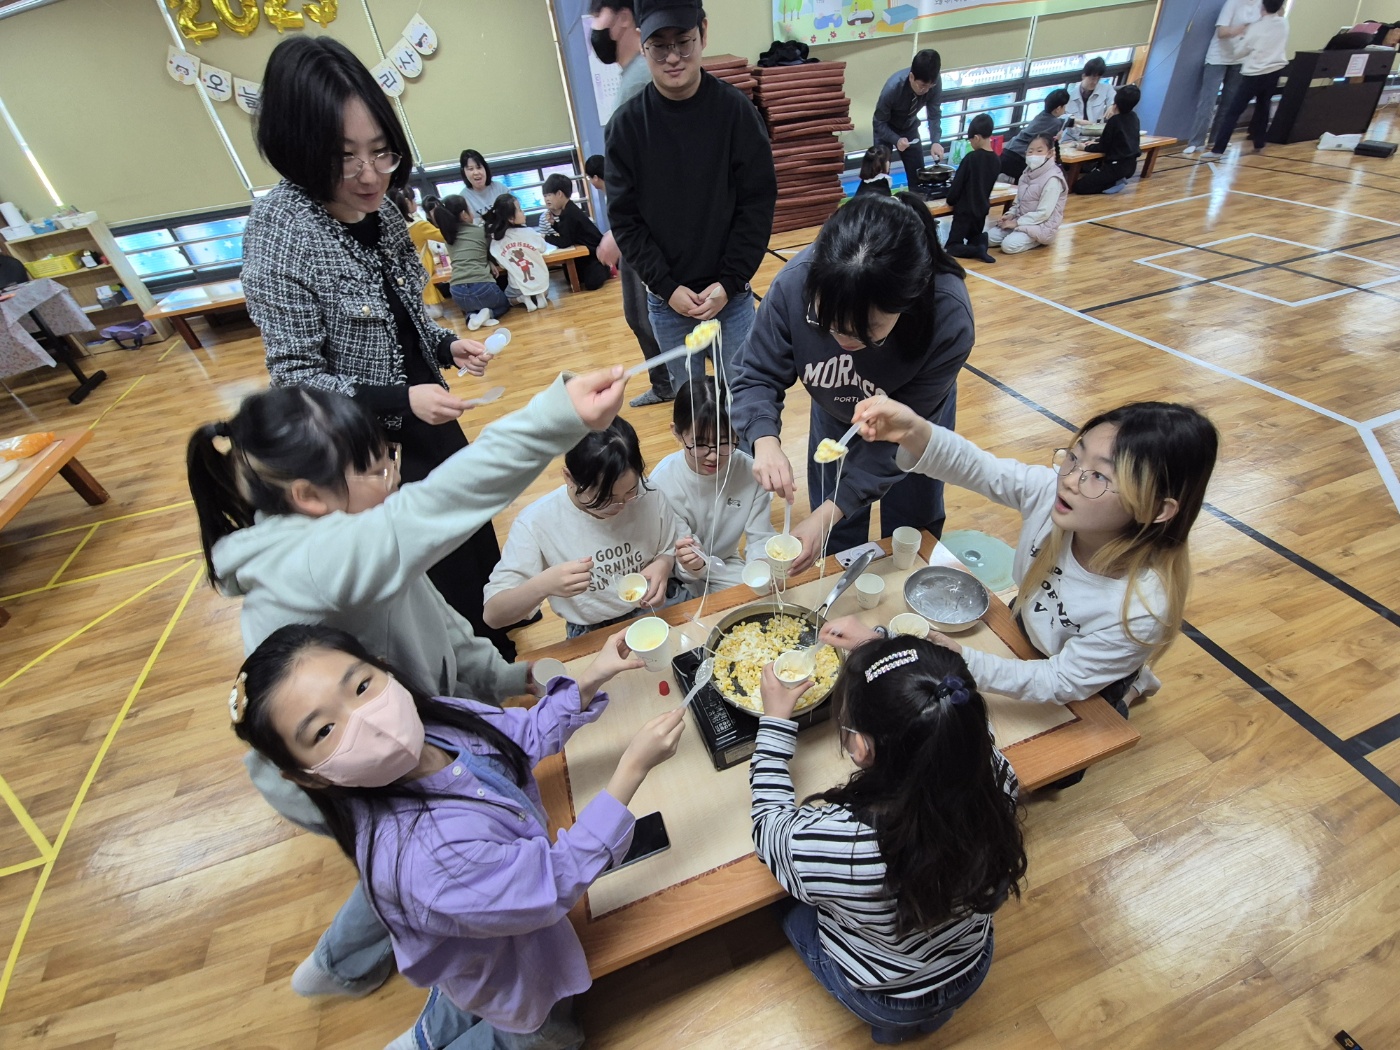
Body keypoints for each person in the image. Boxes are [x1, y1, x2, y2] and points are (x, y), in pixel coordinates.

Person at [186, 368, 626, 1014]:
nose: (393, 475)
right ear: (309, 496)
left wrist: (508, 678)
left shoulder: (349, 545)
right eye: (375, 467)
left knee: (420, 866)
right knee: (418, 867)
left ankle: (344, 962)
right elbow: (433, 507)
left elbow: (439, 623)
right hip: (345, 769)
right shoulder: (312, 562)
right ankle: (397, 983)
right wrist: (555, 417)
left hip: (415, 732)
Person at [231, 622, 686, 1050]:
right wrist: (631, 769)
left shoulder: (437, 722)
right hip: (516, 970)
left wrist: (592, 677)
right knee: (544, 1030)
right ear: (307, 775)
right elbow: (551, 881)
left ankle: (425, 1037)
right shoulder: (424, 859)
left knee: (465, 987)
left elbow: (519, 736)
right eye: (325, 730)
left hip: (479, 946)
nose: (368, 721)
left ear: (382, 667)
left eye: (361, 686)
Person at [241, 36, 518, 665]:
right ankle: (460, 674)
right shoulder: (280, 231)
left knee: (469, 533)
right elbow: (295, 380)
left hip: (428, 411)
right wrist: (400, 400)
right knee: (426, 575)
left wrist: (446, 345)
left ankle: (493, 645)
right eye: (344, 157)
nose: (370, 175)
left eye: (381, 152)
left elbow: (401, 315)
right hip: (367, 452)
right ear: (299, 148)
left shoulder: (384, 213)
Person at [829, 397, 1218, 737]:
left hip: (1074, 673)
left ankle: (1130, 685)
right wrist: (913, 430)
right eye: (1075, 456)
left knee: (1074, 746)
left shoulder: (1139, 610)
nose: (1070, 480)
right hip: (1031, 625)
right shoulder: (1052, 494)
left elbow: (1059, 680)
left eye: (1099, 476)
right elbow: (980, 468)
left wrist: (961, 659)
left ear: (1155, 509)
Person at [751, 637, 1026, 1044]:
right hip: (969, 965)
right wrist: (892, 661)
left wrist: (774, 723)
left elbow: (768, 829)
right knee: (930, 1006)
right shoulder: (997, 778)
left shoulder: (841, 845)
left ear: (861, 747)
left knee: (780, 903)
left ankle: (890, 1030)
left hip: (883, 993)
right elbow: (951, 716)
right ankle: (926, 1021)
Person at [730, 193, 973, 570]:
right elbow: (756, 372)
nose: (843, 340)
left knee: (912, 528)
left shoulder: (947, 315)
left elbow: (901, 440)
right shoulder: (795, 283)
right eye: (828, 323)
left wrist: (831, 510)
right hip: (836, 415)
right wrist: (763, 439)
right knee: (834, 531)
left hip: (913, 424)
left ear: (906, 303)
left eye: (865, 330)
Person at [605, 0, 778, 392]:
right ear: (642, 43)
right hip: (668, 303)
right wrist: (666, 288)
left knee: (746, 400)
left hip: (731, 298)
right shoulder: (627, 128)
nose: (672, 58)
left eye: (683, 42)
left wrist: (730, 281)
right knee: (692, 411)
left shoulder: (736, 113)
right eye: (659, 46)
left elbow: (757, 204)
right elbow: (626, 220)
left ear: (703, 33)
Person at [484, 416, 684, 638]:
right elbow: (493, 615)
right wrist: (543, 585)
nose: (620, 505)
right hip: (594, 628)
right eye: (605, 498)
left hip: (657, 608)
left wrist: (663, 564)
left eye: (630, 491)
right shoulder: (536, 522)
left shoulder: (649, 494)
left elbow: (668, 547)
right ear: (569, 477)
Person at [591, 1, 676, 409]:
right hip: (635, 228)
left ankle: (687, 388)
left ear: (623, 17)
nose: (594, 27)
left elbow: (657, 170)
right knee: (641, 315)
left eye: (598, 15)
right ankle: (668, 385)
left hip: (643, 231)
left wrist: (619, 231)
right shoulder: (632, 78)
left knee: (654, 316)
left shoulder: (642, 79)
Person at [652, 379, 775, 594]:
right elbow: (678, 560)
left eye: (724, 442)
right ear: (677, 432)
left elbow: (760, 536)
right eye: (700, 444)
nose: (713, 456)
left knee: (766, 595)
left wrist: (762, 568)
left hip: (723, 563)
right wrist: (693, 564)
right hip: (674, 573)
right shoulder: (662, 483)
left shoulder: (750, 472)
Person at [1202, 0, 1289, 160]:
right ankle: (1259, 143)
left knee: (1233, 112)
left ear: (1262, 6)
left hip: (1254, 74)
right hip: (1275, 71)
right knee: (1263, 107)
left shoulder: (1256, 27)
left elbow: (1239, 52)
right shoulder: (1283, 24)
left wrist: (1242, 36)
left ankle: (1218, 149)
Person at [1183, 0, 1262, 155]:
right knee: (1207, 102)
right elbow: (1222, 32)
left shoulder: (1261, 6)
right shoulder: (1232, 3)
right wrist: (1243, 29)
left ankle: (1215, 140)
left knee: (1229, 103)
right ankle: (1196, 142)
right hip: (1217, 58)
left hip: (1239, 59)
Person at [431, 194, 509, 331]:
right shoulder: (480, 231)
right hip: (483, 286)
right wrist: (489, 261)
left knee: (470, 307)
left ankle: (472, 316)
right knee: (504, 304)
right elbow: (490, 252)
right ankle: (488, 313)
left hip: (457, 292)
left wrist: (486, 261)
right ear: (464, 214)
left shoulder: (448, 237)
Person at [872, 49, 946, 192]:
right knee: (880, 177)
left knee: (919, 177)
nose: (926, 90)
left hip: (909, 127)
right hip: (886, 128)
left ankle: (916, 203)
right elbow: (878, 122)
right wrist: (896, 139)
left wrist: (936, 141)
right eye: (922, 86)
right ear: (911, 77)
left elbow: (934, 114)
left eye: (930, 86)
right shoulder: (893, 88)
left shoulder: (935, 82)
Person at [987, 134, 1066, 256]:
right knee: (989, 238)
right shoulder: (1025, 174)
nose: (1034, 155)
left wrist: (1016, 223)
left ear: (1049, 153)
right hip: (1021, 220)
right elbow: (1018, 202)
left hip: (1041, 225)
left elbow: (1044, 213)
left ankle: (1039, 239)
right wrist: (1009, 215)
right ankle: (1017, 233)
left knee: (1008, 246)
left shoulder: (1053, 179)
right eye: (1030, 151)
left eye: (1039, 151)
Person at [943, 114, 1000, 265]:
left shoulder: (971, 158)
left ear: (976, 138)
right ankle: (981, 242)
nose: (971, 144)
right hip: (981, 210)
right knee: (974, 237)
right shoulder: (996, 160)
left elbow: (957, 184)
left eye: (970, 141)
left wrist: (950, 200)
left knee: (952, 246)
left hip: (965, 211)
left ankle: (977, 250)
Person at [541, 173, 611, 291]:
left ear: (559, 194)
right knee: (570, 277)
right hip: (586, 251)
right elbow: (568, 232)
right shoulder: (567, 209)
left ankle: (607, 267)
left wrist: (545, 237)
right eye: (544, 196)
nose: (546, 199)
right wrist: (554, 224)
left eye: (549, 195)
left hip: (595, 252)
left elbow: (565, 241)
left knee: (592, 284)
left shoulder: (569, 213)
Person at [483, 193, 551, 311]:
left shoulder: (497, 240)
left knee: (508, 297)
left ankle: (522, 299)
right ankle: (540, 296)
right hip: (540, 282)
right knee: (544, 289)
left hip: (517, 286)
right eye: (520, 210)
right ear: (511, 218)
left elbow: (502, 263)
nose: (523, 212)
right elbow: (543, 248)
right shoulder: (529, 232)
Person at [1072, 84, 1141, 195]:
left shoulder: (1115, 120)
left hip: (1116, 167)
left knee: (1079, 187)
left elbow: (1103, 146)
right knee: (1094, 178)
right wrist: (1095, 142)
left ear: (1116, 102)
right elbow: (1116, 140)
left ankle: (1114, 183)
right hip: (1131, 166)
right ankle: (1114, 181)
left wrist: (1085, 147)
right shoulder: (1134, 117)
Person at [389, 187, 447, 316]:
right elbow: (444, 236)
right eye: (413, 199)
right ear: (407, 202)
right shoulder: (418, 225)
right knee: (436, 311)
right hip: (422, 267)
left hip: (406, 270)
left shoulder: (393, 226)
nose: (416, 202)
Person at [1000, 89, 1069, 181]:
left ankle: (1008, 179)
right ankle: (1011, 180)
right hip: (1019, 157)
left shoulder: (1041, 115)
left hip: (1008, 151)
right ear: (1058, 109)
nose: (1065, 110)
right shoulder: (1056, 123)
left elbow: (1068, 121)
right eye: (1064, 107)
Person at [1062, 57, 1117, 138]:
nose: (1095, 82)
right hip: (1074, 138)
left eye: (1098, 79)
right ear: (1084, 76)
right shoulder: (1070, 96)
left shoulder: (1106, 89)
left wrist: (1113, 105)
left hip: (1097, 137)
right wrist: (1075, 121)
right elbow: (1061, 119)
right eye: (1092, 78)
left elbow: (1115, 100)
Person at [459, 148, 506, 217]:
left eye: (479, 167)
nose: (476, 172)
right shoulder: (463, 199)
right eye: (471, 169)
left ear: (485, 168)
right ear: (464, 172)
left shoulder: (500, 188)